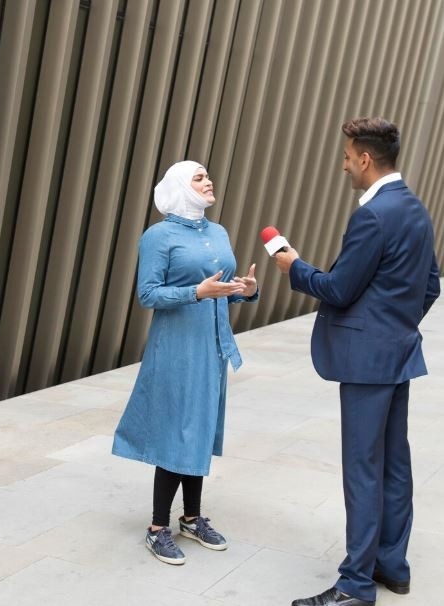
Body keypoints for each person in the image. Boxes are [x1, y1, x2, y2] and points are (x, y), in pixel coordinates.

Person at [276, 118, 440, 606]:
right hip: (398, 353)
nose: (345, 165)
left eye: (348, 157)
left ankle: (355, 585)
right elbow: (429, 285)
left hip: (369, 362)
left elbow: (340, 288)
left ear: (366, 158)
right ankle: (394, 567)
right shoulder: (415, 209)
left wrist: (295, 267)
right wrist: (394, 325)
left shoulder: (371, 215)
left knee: (363, 469)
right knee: (393, 465)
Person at [112, 160, 259, 565]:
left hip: (211, 347)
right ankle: (158, 528)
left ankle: (191, 518)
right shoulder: (158, 236)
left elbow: (220, 291)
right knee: (178, 432)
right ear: (180, 187)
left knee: (200, 430)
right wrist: (196, 292)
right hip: (176, 349)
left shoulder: (218, 231)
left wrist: (244, 290)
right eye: (199, 177)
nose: (209, 180)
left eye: (208, 175)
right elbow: (148, 294)